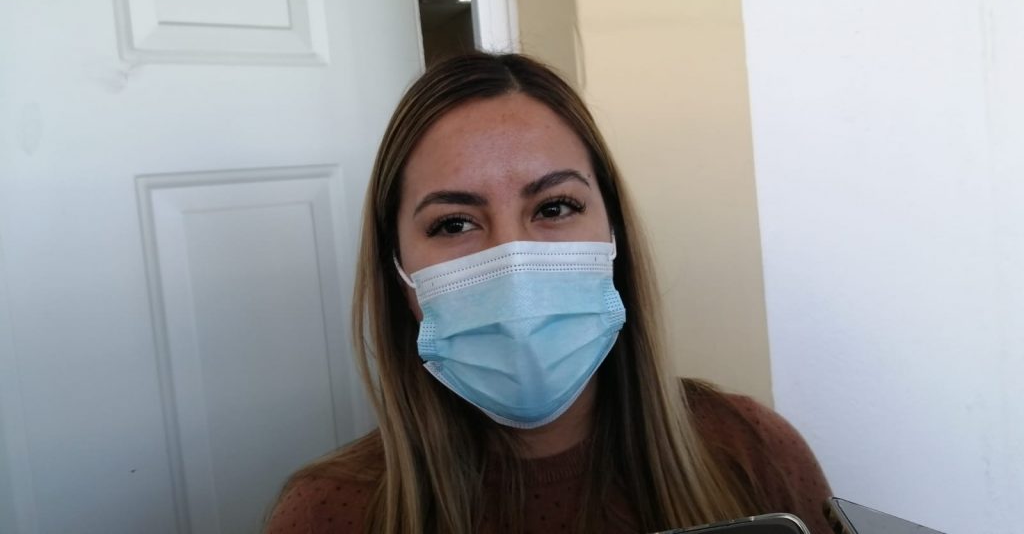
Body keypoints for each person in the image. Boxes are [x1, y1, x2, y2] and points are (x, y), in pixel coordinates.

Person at [265, 52, 832, 534]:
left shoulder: (754, 452)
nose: (514, 262)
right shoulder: (326, 514)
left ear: (613, 236)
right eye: (454, 223)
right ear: (397, 270)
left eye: (555, 207)